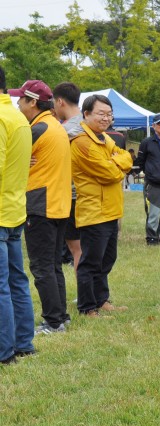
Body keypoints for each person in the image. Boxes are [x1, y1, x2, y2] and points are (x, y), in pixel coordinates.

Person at [11, 80, 71, 334]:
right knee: (53, 264)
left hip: (40, 205)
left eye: (21, 100)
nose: (17, 104)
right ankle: (61, 316)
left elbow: (10, 161)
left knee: (42, 266)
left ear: (32, 101)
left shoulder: (37, 129)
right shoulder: (54, 125)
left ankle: (54, 322)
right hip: (58, 204)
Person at [71, 94, 132, 316]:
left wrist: (115, 161)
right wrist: (117, 164)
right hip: (94, 211)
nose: (106, 118)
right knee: (91, 262)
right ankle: (87, 307)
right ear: (86, 114)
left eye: (109, 114)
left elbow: (127, 157)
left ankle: (101, 299)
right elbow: (110, 174)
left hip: (110, 209)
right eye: (101, 114)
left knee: (107, 258)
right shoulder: (82, 142)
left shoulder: (105, 139)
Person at [0, 66, 35, 364]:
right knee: (16, 281)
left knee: (3, 285)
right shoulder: (16, 116)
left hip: (2, 211)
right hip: (13, 210)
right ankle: (24, 343)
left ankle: (4, 352)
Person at [52, 82, 83, 269]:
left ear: (60, 101)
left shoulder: (65, 130)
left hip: (73, 193)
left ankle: (86, 296)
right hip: (88, 192)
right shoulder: (88, 123)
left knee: (77, 248)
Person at [135, 113, 160, 245]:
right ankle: (152, 237)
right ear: (154, 126)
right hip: (153, 184)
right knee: (154, 213)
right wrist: (151, 174)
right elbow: (140, 162)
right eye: (159, 123)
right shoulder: (147, 142)